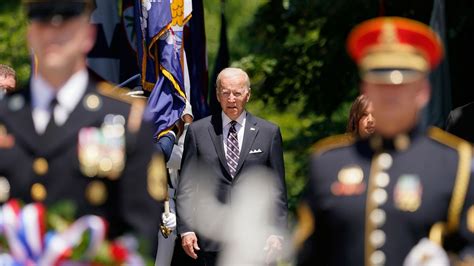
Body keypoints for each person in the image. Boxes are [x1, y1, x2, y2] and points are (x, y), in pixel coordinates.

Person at [296, 17, 474, 265]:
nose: (391, 94)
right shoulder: (326, 163)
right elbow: (309, 255)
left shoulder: (454, 163)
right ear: (365, 89)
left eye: (402, 84)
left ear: (423, 91)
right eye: (380, 84)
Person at [0, 0, 167, 255]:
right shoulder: (5, 117)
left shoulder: (126, 120)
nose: (54, 34)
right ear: (30, 34)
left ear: (88, 35)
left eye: (66, 25)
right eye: (43, 23)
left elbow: (139, 234)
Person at [176, 67, 288, 265]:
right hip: (209, 240)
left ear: (248, 94)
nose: (231, 99)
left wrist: (276, 232)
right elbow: (186, 186)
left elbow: (277, 189)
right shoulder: (198, 131)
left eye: (237, 93)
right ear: (218, 95)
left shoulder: (268, 133)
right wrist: (186, 228)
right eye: (226, 93)